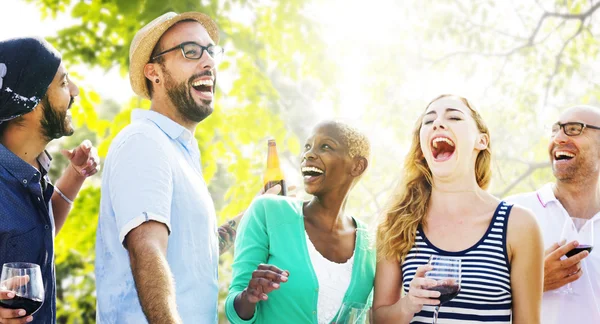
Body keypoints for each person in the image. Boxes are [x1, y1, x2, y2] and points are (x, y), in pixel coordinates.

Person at [94, 12, 281, 324]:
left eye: (210, 51)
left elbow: (198, 252)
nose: (207, 61)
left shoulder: (177, 152)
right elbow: (148, 250)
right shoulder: (144, 142)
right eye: (191, 51)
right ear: (153, 72)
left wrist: (257, 209)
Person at [372, 94, 544, 324]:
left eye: (454, 117)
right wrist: (408, 304)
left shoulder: (518, 224)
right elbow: (377, 319)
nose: (438, 123)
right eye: (428, 120)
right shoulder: (396, 224)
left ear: (481, 141)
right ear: (422, 148)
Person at [225, 121, 376, 324]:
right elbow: (234, 310)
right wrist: (249, 296)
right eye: (307, 147)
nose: (309, 155)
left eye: (326, 147)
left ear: (357, 166)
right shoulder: (269, 211)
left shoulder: (371, 244)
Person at [0, 37, 100, 324]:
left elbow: (36, 238)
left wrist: (75, 176)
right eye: (62, 82)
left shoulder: (30, 170)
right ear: (29, 100)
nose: (75, 91)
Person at [506, 105, 600, 324]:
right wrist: (533, 282)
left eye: (574, 129)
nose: (558, 138)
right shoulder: (511, 212)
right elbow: (471, 301)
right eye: (555, 130)